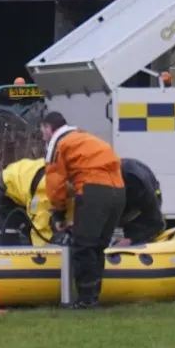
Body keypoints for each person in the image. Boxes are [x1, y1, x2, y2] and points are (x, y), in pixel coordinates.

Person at [40, 112, 125, 309]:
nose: (43, 136)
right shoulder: (85, 137)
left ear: (47, 128)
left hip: (94, 191)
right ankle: (93, 295)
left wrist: (58, 214)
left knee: (83, 246)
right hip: (119, 191)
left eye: (43, 132)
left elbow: (54, 183)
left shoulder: (58, 142)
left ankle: (86, 298)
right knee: (97, 247)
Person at [0, 157, 54, 245]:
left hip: (23, 185)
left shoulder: (63, 176)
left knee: (30, 227)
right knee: (8, 234)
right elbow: (40, 227)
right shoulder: (44, 191)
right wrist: (46, 254)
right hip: (5, 188)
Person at [118, 157, 166, 245]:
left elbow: (152, 216)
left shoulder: (136, 181)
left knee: (140, 234)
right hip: (128, 200)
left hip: (145, 202)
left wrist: (133, 239)